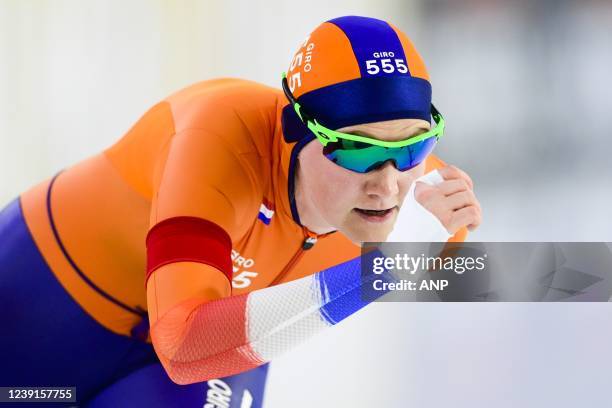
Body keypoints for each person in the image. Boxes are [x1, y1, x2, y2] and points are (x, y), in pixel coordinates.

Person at [0, 15, 481, 407]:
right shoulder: (217, 141)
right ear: (297, 130)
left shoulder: (422, 196)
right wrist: (380, 272)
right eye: (356, 151)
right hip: (48, 297)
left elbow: (534, 271)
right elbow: (183, 343)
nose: (387, 185)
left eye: (415, 148)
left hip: (201, 348)